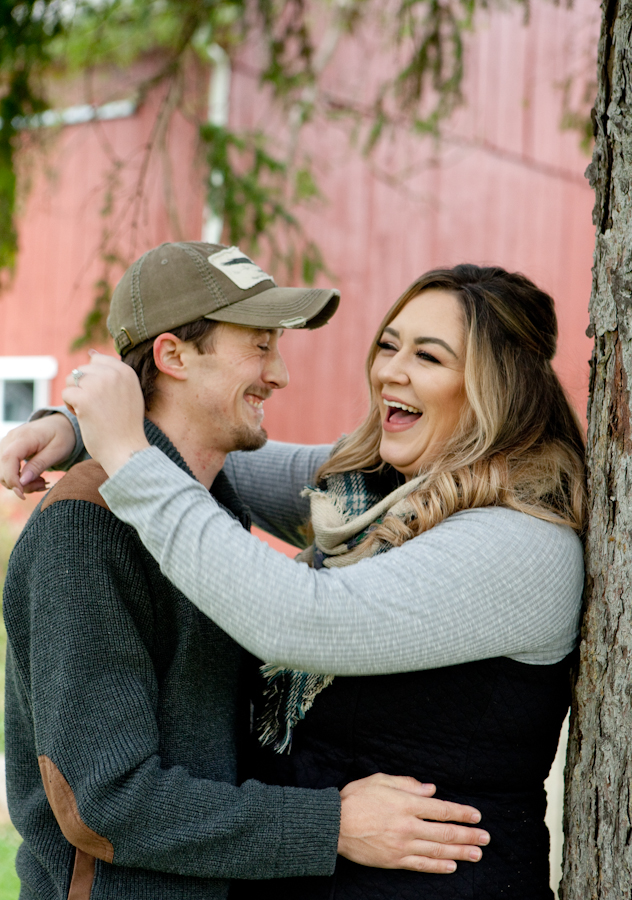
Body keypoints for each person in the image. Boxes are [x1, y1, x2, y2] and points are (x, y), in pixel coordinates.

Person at [1, 243, 489, 900]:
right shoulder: (86, 531)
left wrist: (74, 424)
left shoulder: (206, 506)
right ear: (174, 356)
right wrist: (332, 826)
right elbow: (107, 802)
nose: (280, 374)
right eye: (260, 347)